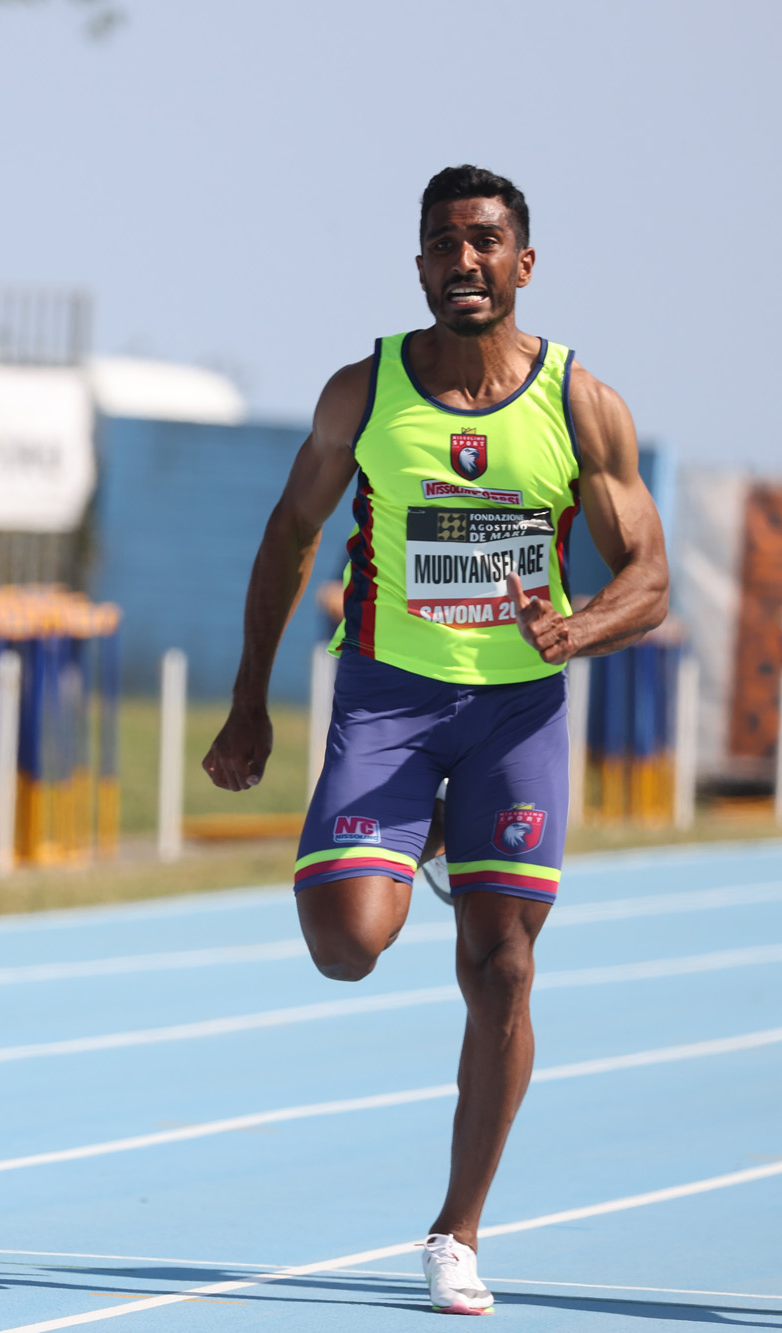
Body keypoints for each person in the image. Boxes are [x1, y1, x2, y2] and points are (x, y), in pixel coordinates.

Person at [201, 165, 668, 1315]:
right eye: (443, 243)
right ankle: (423, 832)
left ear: (522, 262)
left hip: (515, 712)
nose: (464, 260)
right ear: (416, 265)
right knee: (345, 944)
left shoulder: (579, 404)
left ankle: (454, 1231)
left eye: (484, 241)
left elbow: (649, 577)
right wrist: (249, 698)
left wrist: (574, 628)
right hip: (388, 701)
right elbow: (288, 533)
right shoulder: (361, 393)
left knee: (500, 966)